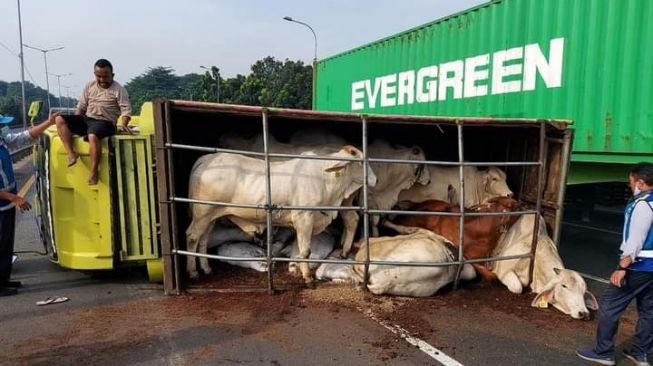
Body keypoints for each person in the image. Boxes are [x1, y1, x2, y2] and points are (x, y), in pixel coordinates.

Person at [577, 162, 653, 366]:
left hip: (639, 265)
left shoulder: (642, 205)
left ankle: (604, 352)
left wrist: (622, 268)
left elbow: (636, 239)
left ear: (641, 182)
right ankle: (640, 353)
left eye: (631, 182)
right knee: (648, 310)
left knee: (610, 305)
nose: (630, 186)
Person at [0, 112, 59, 297]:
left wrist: (48, 122)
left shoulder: (2, 141)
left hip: (6, 203)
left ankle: (4, 279)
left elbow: (25, 136)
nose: (3, 128)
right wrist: (15, 198)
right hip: (3, 203)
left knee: (6, 244)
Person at [54, 58, 132, 185]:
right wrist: (75, 121)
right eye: (99, 76)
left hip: (105, 123)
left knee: (92, 135)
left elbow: (126, 110)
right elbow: (81, 107)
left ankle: (94, 172)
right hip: (88, 119)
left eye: (105, 76)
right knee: (59, 119)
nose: (102, 80)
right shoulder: (89, 86)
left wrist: (123, 124)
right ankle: (71, 153)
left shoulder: (119, 89)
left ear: (112, 75)